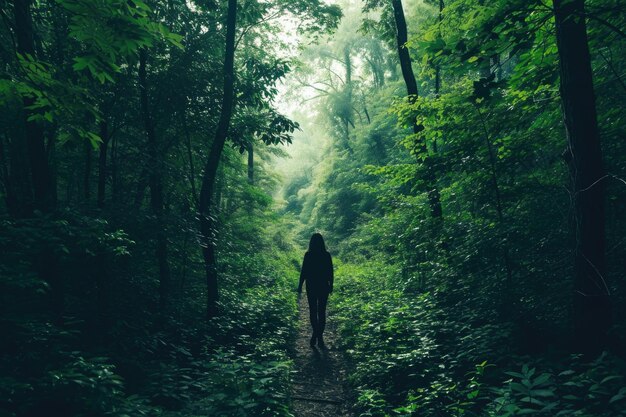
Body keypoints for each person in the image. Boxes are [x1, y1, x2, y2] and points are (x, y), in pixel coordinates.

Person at [297, 233, 334, 348]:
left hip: (311, 285)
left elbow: (304, 271)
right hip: (323, 285)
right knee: (322, 311)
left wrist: (300, 286)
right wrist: (331, 285)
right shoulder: (326, 255)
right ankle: (320, 337)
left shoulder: (308, 255)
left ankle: (315, 334)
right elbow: (330, 271)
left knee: (313, 311)